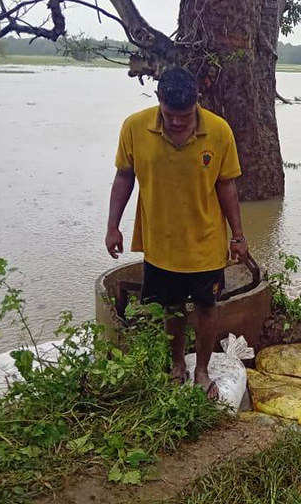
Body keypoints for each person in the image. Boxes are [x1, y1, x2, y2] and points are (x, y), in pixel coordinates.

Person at [105, 67, 248, 399]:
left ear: (197, 101)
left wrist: (238, 236)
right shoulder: (135, 127)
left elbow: (227, 186)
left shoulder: (219, 130)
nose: (178, 123)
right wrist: (113, 226)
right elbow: (123, 177)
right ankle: (176, 365)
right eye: (170, 115)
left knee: (206, 307)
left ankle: (201, 370)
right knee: (171, 308)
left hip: (206, 242)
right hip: (161, 243)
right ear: (158, 101)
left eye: (184, 116)